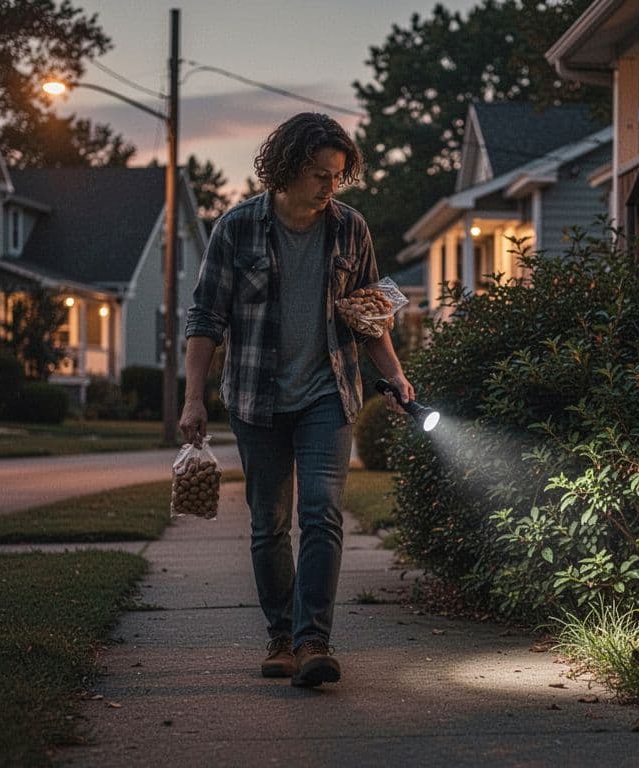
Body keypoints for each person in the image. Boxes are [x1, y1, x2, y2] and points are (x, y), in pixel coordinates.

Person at [179, 112, 413, 688]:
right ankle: (280, 637)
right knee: (269, 524)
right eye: (317, 174)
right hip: (255, 399)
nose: (328, 187)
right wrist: (192, 400)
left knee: (322, 516)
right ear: (284, 170)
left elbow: (369, 314)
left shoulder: (350, 229)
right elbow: (206, 317)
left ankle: (313, 641)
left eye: (336, 175)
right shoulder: (235, 230)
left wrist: (398, 377)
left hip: (327, 395)